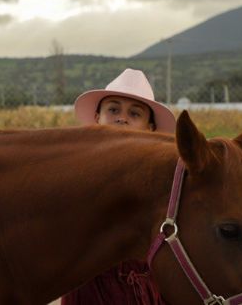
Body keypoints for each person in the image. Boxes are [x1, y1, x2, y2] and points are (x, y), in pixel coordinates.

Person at [62, 68, 176, 305]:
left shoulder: (164, 182)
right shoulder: (76, 172)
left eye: (135, 113)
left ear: (150, 128)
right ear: (97, 119)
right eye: (113, 109)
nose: (121, 118)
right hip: (89, 294)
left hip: (145, 294)